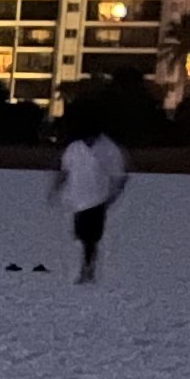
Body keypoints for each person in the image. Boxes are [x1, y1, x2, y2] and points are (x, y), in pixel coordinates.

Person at [50, 111, 129, 282]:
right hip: (77, 199)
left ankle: (88, 270)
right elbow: (65, 170)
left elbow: (119, 175)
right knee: (80, 237)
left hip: (98, 199)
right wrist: (56, 187)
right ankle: (82, 268)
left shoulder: (108, 149)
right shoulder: (75, 148)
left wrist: (112, 196)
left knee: (91, 239)